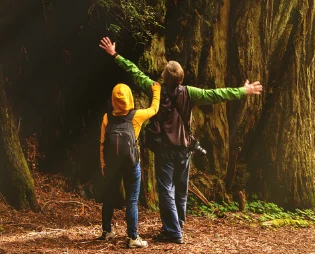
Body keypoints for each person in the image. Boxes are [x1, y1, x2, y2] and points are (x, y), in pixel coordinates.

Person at [98, 37, 263, 245]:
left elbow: (135, 72)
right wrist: (243, 91)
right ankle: (177, 224)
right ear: (180, 77)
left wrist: (115, 55)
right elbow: (217, 94)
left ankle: (173, 231)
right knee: (181, 189)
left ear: (164, 76)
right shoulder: (190, 93)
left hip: (165, 149)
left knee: (166, 188)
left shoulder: (155, 88)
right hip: (185, 148)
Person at [98, 73, 161, 248]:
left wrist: (103, 164)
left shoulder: (106, 118)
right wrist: (156, 90)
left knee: (109, 197)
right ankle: (133, 238)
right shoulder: (136, 116)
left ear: (113, 100)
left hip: (112, 165)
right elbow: (155, 108)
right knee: (132, 200)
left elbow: (102, 143)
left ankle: (107, 231)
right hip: (132, 163)